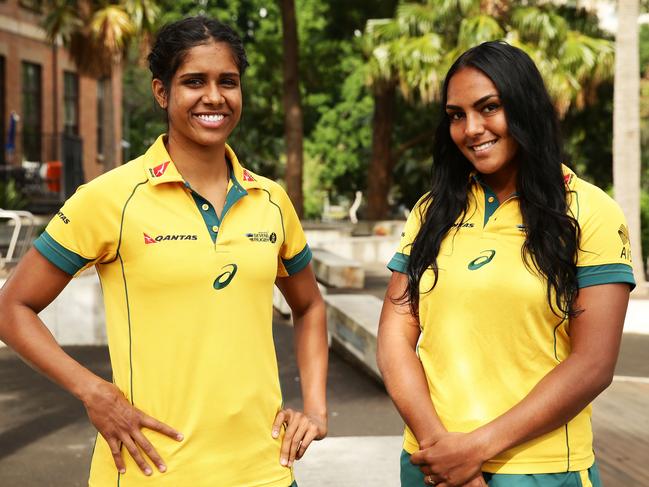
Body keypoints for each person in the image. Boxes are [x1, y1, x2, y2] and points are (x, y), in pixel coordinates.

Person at [0, 16, 327, 487]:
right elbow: (13, 306)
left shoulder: (272, 201)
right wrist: (95, 393)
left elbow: (310, 304)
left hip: (266, 473)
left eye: (228, 82)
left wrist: (315, 408)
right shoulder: (110, 197)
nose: (214, 97)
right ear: (161, 92)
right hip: (151, 473)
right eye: (194, 81)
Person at [377, 41, 634, 487]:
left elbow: (593, 364)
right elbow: (395, 335)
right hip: (431, 464)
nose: (471, 128)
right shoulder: (431, 211)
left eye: (488, 108)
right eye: (456, 115)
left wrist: (475, 449)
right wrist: (442, 449)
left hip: (538, 470)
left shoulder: (589, 211)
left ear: (525, 106)